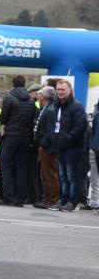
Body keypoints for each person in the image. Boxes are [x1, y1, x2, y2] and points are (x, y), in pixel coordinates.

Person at [0, 74, 36, 206]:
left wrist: (4, 133)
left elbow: (3, 119)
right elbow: (32, 120)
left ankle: (8, 196)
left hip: (11, 136)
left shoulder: (9, 99)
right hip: (24, 137)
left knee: (6, 165)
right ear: (24, 84)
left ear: (13, 84)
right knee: (22, 167)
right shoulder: (31, 101)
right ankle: (20, 199)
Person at [50, 79, 87, 211]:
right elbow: (55, 125)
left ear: (70, 91)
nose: (60, 92)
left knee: (72, 176)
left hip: (73, 147)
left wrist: (67, 138)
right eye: (58, 89)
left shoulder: (77, 106)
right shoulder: (57, 105)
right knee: (62, 176)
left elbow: (81, 126)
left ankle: (72, 202)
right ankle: (63, 200)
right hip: (60, 146)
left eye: (63, 89)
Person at [33, 86, 59, 209]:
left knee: (49, 174)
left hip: (47, 147)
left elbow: (49, 130)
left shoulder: (50, 110)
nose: (38, 96)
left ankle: (51, 200)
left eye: (40, 94)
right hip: (44, 146)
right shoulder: (47, 108)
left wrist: (43, 144)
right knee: (45, 173)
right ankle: (47, 198)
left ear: (44, 96)